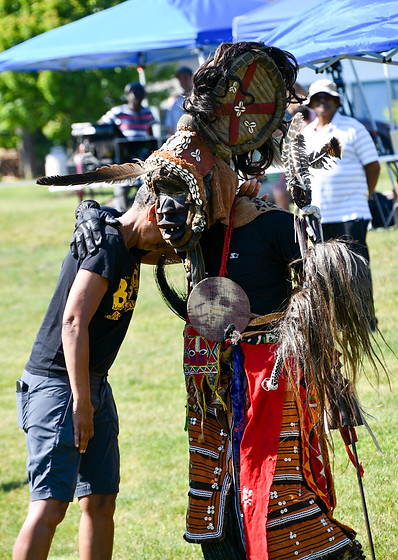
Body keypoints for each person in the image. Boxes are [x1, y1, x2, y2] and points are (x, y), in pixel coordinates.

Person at [64, 42, 378, 560]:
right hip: (209, 374)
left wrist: (335, 383)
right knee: (215, 483)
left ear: (231, 173)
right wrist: (93, 218)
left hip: (270, 373)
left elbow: (316, 304)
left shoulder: (278, 228)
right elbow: (136, 234)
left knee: (272, 478)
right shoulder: (197, 234)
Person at [13, 187, 168, 560]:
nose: (174, 240)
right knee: (50, 505)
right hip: (59, 385)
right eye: (170, 227)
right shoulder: (107, 243)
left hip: (92, 381)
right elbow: (72, 322)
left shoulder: (129, 244)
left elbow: (189, 248)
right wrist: (82, 402)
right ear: (151, 215)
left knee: (100, 500)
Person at [302, 78, 380, 262]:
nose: (322, 101)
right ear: (311, 103)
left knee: (355, 270)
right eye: (318, 97)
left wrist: (364, 195)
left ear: (337, 101)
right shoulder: (305, 134)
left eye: (327, 97)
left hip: (351, 213)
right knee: (327, 271)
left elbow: (373, 167)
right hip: (319, 216)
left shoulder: (354, 128)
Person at [99, 81, 156, 212]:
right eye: (133, 93)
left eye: (139, 93)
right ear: (127, 95)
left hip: (142, 156)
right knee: (122, 185)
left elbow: (150, 135)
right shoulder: (118, 112)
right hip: (123, 156)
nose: (136, 96)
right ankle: (120, 210)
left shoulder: (147, 113)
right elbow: (101, 124)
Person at [164, 66, 193, 137]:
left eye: (185, 77)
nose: (183, 81)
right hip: (180, 141)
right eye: (180, 78)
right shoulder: (176, 102)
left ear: (192, 78)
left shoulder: (199, 98)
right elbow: (170, 128)